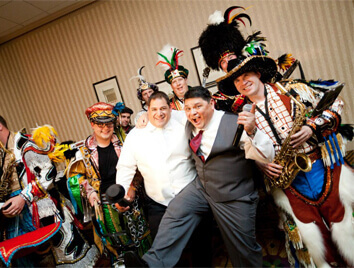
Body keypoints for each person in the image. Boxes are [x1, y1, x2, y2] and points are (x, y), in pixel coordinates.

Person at [217, 55, 354, 267]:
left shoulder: (293, 90)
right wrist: (260, 163)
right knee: (312, 234)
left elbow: (336, 102)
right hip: (288, 180)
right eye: (237, 81)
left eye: (246, 76)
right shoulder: (241, 115)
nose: (242, 83)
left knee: (344, 221)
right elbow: (247, 150)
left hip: (321, 166)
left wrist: (312, 127)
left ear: (258, 74)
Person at [128, 87, 274, 267]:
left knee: (243, 249)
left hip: (233, 195)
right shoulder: (188, 122)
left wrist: (252, 131)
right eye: (188, 108)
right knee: (175, 212)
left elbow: (267, 155)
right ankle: (151, 264)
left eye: (197, 106)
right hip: (202, 188)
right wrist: (143, 117)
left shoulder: (235, 123)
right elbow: (165, 115)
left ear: (211, 103)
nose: (192, 113)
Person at [0, 113, 99, 266]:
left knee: (62, 250)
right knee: (20, 257)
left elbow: (48, 173)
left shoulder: (27, 144)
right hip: (11, 215)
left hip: (40, 207)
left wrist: (23, 197)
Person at [116, 91, 212, 266]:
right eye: (153, 109)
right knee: (166, 246)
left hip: (191, 194)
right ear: (147, 110)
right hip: (158, 203)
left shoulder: (184, 121)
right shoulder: (135, 136)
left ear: (171, 108)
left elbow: (203, 117)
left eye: (163, 108)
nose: (158, 113)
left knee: (201, 245)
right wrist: (120, 193)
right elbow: (125, 167)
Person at [64, 102, 151, 267]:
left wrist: (133, 187)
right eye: (100, 124)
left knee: (142, 239)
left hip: (130, 197)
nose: (105, 128)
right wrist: (89, 192)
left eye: (109, 123)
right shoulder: (83, 151)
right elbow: (75, 178)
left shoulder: (126, 143)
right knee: (117, 243)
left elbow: (140, 167)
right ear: (92, 124)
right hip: (105, 204)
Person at [156, 44, 190, 110]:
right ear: (171, 86)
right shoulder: (169, 106)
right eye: (174, 82)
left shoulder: (200, 95)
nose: (178, 84)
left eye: (180, 80)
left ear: (186, 80)